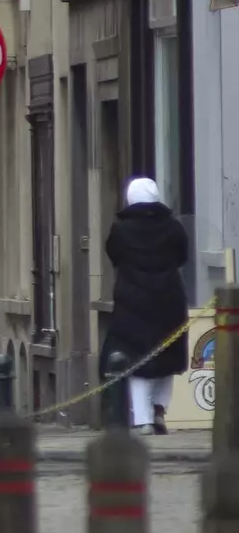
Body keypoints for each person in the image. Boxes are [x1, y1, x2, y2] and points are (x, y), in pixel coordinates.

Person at [103, 177, 189, 435]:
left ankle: (142, 419)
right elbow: (182, 256)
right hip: (169, 298)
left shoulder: (120, 230)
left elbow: (114, 255)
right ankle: (159, 410)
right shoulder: (173, 227)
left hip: (132, 300)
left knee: (135, 359)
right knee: (167, 354)